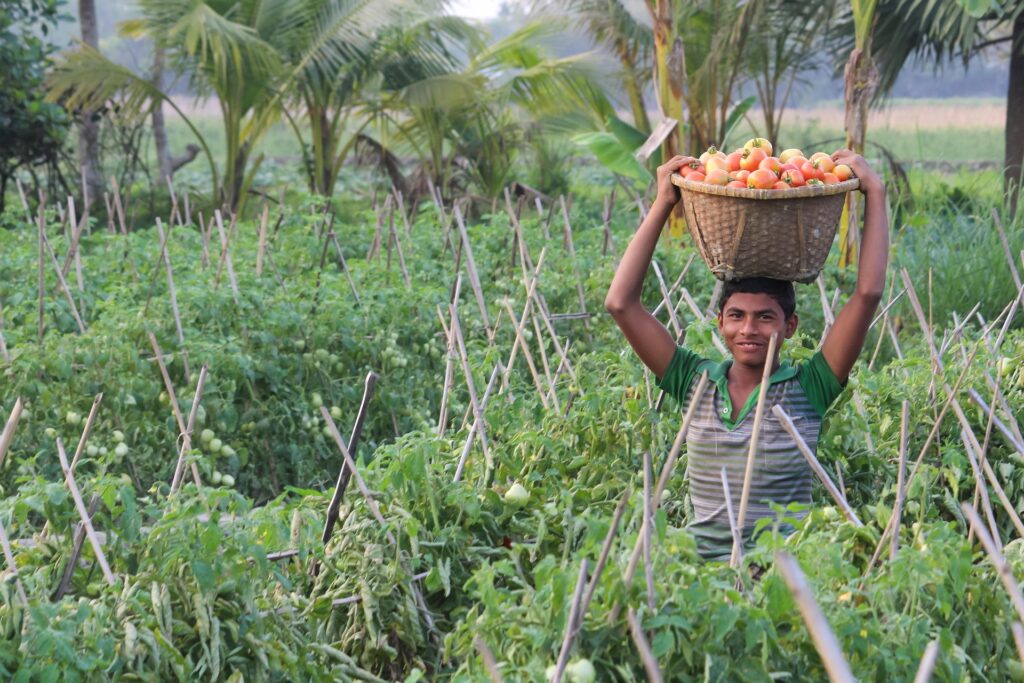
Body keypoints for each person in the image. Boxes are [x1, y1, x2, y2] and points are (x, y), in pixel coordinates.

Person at [604, 150, 889, 561]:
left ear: (789, 327)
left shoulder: (809, 388)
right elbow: (620, 303)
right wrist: (664, 203)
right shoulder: (694, 380)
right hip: (702, 581)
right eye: (736, 316)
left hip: (783, 582)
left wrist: (875, 193)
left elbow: (867, 294)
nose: (749, 329)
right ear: (720, 321)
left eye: (765, 318)